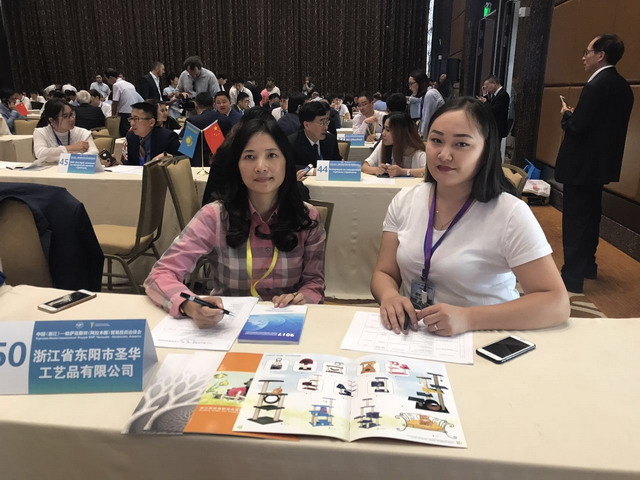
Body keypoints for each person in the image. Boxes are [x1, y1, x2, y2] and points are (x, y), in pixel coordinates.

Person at [371, 97, 569, 336]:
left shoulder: (510, 213)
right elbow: (384, 273)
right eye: (436, 140)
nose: (444, 155)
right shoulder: (405, 200)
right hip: (418, 335)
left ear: (485, 151)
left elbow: (556, 302)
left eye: (461, 144)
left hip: (484, 336)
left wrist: (468, 318)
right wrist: (389, 295)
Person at [144, 117, 326, 328]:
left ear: (286, 161)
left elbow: (314, 282)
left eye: (272, 155)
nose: (261, 167)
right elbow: (161, 274)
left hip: (286, 324)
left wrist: (303, 299)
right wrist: (189, 305)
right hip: (226, 326)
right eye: (249, 157)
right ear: (237, 165)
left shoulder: (307, 217)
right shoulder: (215, 216)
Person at [555, 34, 634, 293]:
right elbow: (604, 126)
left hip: (581, 166)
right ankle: (588, 266)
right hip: (601, 166)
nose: (584, 57)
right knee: (591, 218)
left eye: (587, 51)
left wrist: (567, 116)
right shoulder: (622, 87)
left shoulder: (595, 85)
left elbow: (578, 128)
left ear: (601, 55)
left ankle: (572, 277)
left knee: (575, 221)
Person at [33, 99, 98, 164]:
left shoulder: (83, 133)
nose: (72, 119)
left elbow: (94, 154)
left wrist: (67, 156)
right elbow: (41, 154)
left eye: (71, 114)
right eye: (65, 116)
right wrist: (72, 147)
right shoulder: (41, 133)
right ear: (52, 120)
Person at [361, 113, 426, 178]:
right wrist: (377, 170)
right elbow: (364, 167)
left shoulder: (417, 151)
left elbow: (427, 172)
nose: (383, 133)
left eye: (388, 130)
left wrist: (402, 171)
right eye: (384, 129)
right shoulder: (383, 144)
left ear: (401, 132)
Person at [288, 101, 342, 175]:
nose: (326, 127)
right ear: (307, 125)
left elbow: (337, 163)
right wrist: (312, 171)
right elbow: (288, 168)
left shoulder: (331, 140)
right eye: (321, 123)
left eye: (327, 122)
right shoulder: (291, 143)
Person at [181, 92, 233, 167]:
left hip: (199, 165)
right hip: (221, 163)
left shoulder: (193, 121)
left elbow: (187, 148)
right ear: (213, 104)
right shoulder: (226, 120)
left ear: (196, 105)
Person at [104, 68, 140, 137]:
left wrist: (113, 116)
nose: (108, 82)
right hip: (134, 112)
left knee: (124, 135)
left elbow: (115, 103)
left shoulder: (116, 85)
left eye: (107, 80)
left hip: (124, 114)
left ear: (110, 77)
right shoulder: (130, 84)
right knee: (134, 133)